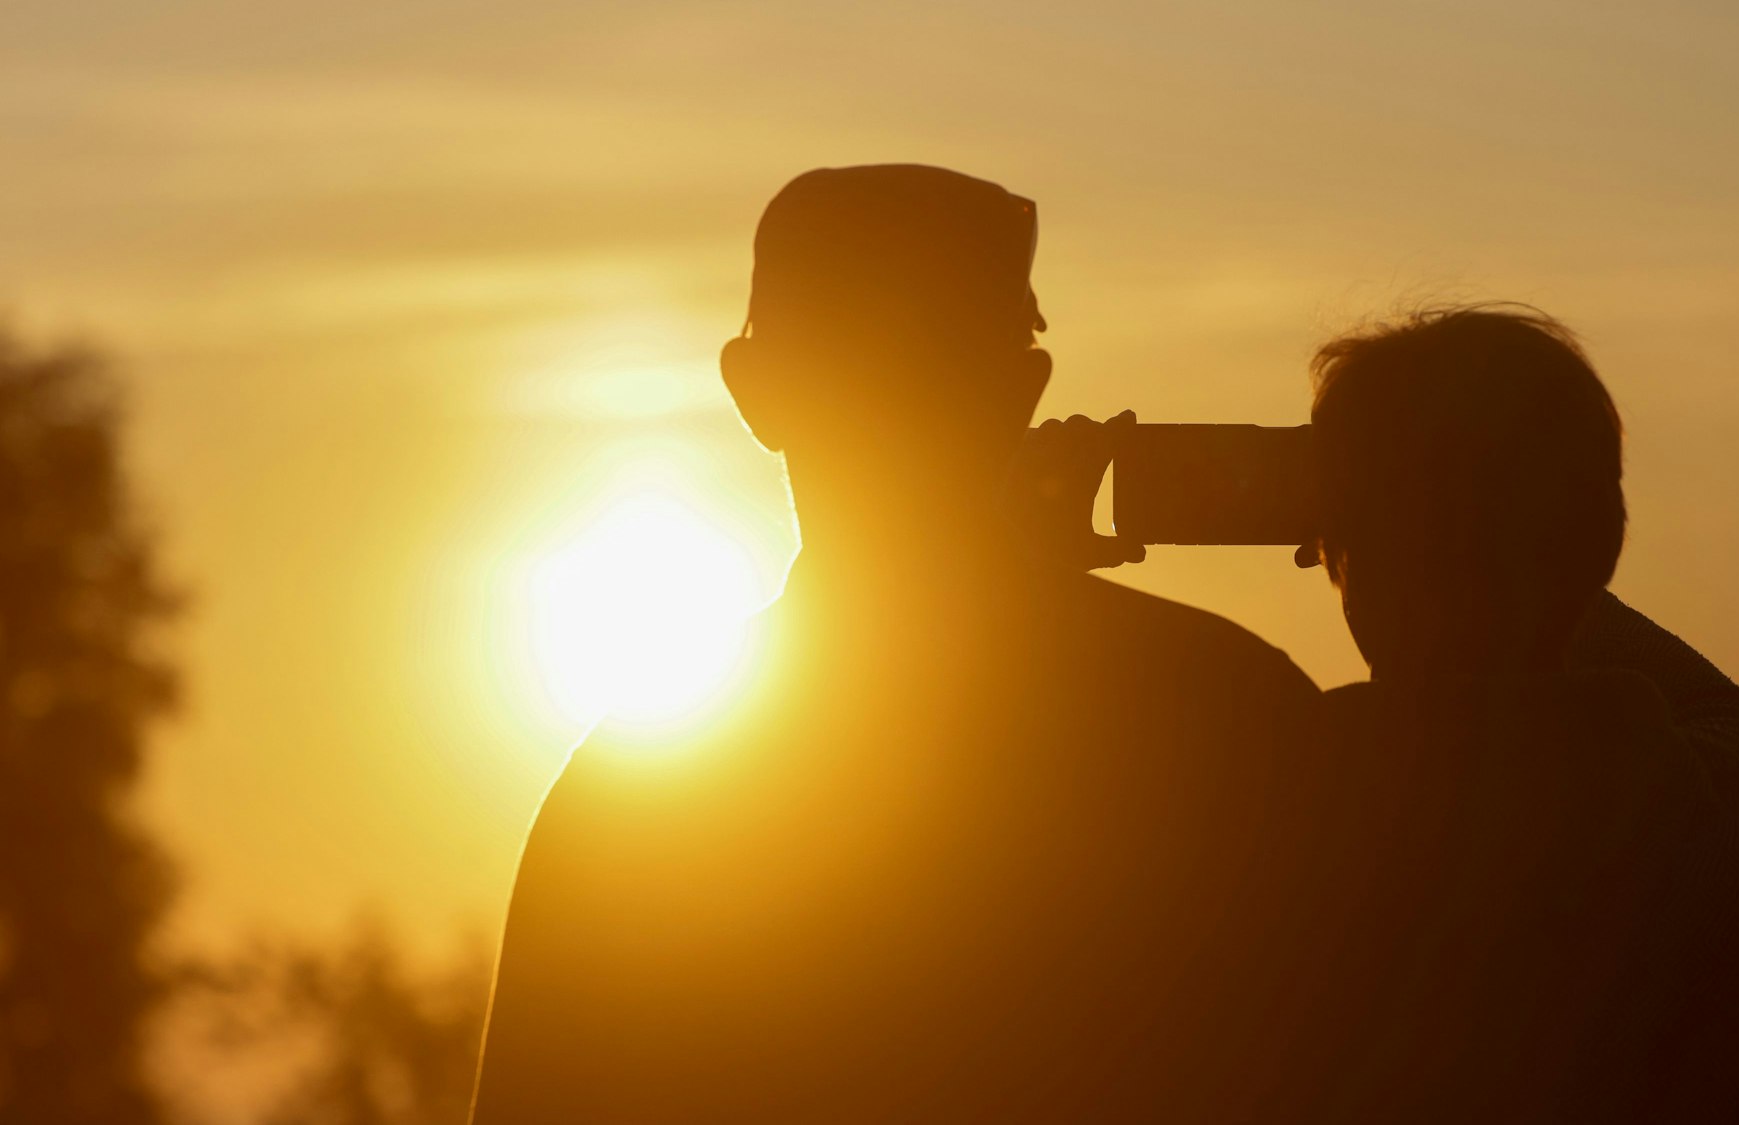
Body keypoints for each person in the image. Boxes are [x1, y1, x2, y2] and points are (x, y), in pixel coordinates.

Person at [467, 165, 1325, 1122]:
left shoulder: (641, 789)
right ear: (1022, 386)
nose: (895, 398)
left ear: (754, 389)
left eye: (930, 356)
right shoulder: (1231, 708)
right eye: (866, 357)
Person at [1292, 306, 1739, 1122]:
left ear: (1354, 558)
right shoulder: (1733, 813)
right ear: (1604, 536)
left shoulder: (1265, 816)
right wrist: (1535, 546)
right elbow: (1725, 706)